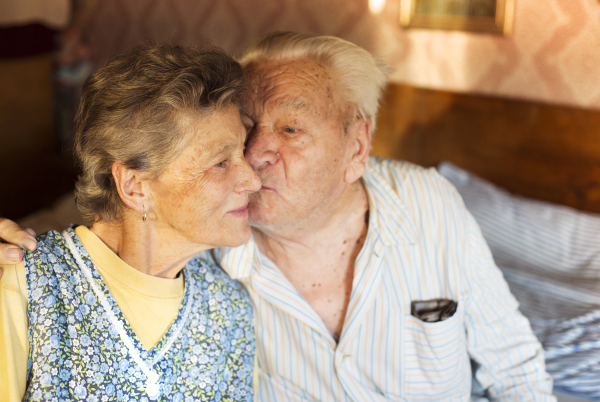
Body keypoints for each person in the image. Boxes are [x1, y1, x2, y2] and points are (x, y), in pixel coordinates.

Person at [1, 32, 555, 401]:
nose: (255, 158)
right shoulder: (209, 240)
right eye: (244, 132)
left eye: (291, 129)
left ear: (356, 146)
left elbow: (516, 367)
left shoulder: (428, 204)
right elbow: (128, 213)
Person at [0, 44, 259, 401]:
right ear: (135, 187)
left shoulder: (229, 309)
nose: (253, 181)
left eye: (242, 152)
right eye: (220, 162)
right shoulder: (25, 282)